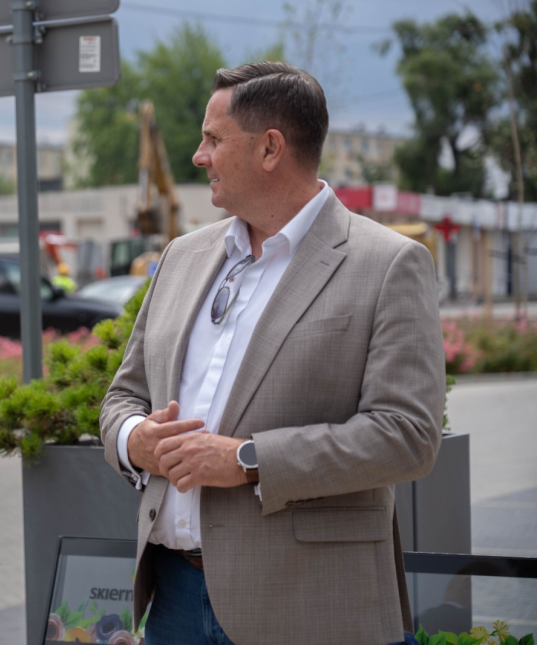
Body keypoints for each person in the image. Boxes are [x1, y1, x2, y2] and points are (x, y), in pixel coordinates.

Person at [100, 62, 445, 644]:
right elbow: (123, 395)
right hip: (174, 600)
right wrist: (135, 439)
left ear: (270, 149)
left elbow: (407, 435)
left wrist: (249, 459)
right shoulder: (183, 256)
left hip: (311, 604)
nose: (198, 155)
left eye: (213, 139)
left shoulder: (386, 263)